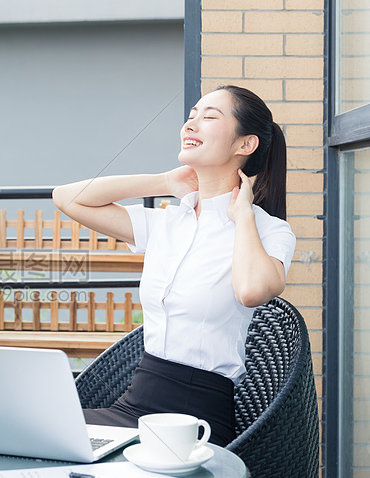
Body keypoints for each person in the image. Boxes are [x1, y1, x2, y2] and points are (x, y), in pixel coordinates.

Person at [51, 85, 296, 447]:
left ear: (245, 145)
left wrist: (243, 213)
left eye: (209, 117)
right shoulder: (169, 222)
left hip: (195, 422)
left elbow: (251, 291)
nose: (191, 124)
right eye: (191, 116)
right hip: (134, 406)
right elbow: (67, 198)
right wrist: (164, 182)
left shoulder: (268, 230)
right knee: (26, 432)